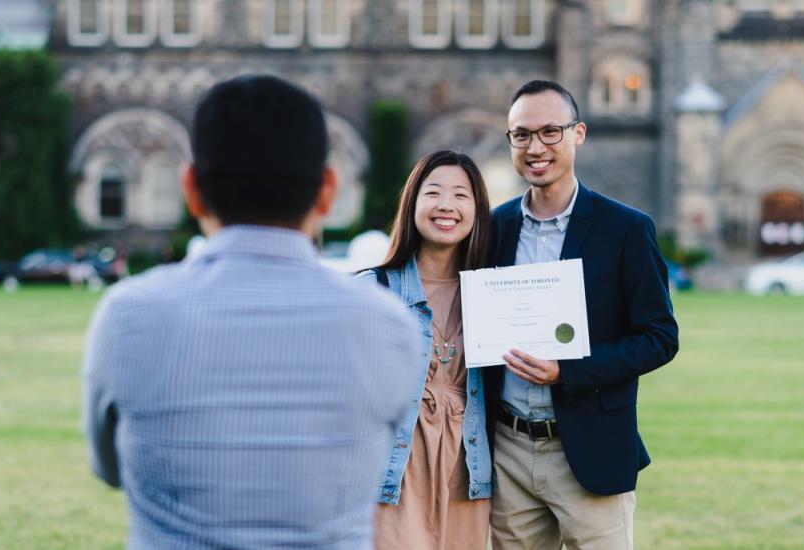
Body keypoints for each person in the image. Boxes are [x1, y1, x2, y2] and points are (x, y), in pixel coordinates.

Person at [82, 75, 422, 548]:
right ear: (327, 191)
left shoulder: (128, 316)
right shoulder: (389, 326)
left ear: (191, 189)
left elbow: (109, 467)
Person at [484, 80, 679, 549]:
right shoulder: (492, 228)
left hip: (590, 449)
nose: (536, 147)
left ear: (579, 134)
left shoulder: (627, 229)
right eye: (522, 134)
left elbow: (659, 337)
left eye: (551, 131)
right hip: (507, 451)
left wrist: (567, 372)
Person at [364, 151, 494, 549]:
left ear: (477, 210)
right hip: (393, 473)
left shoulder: (494, 295)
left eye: (461, 195)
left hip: (466, 475)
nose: (446, 206)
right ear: (412, 204)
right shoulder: (372, 291)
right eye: (433, 192)